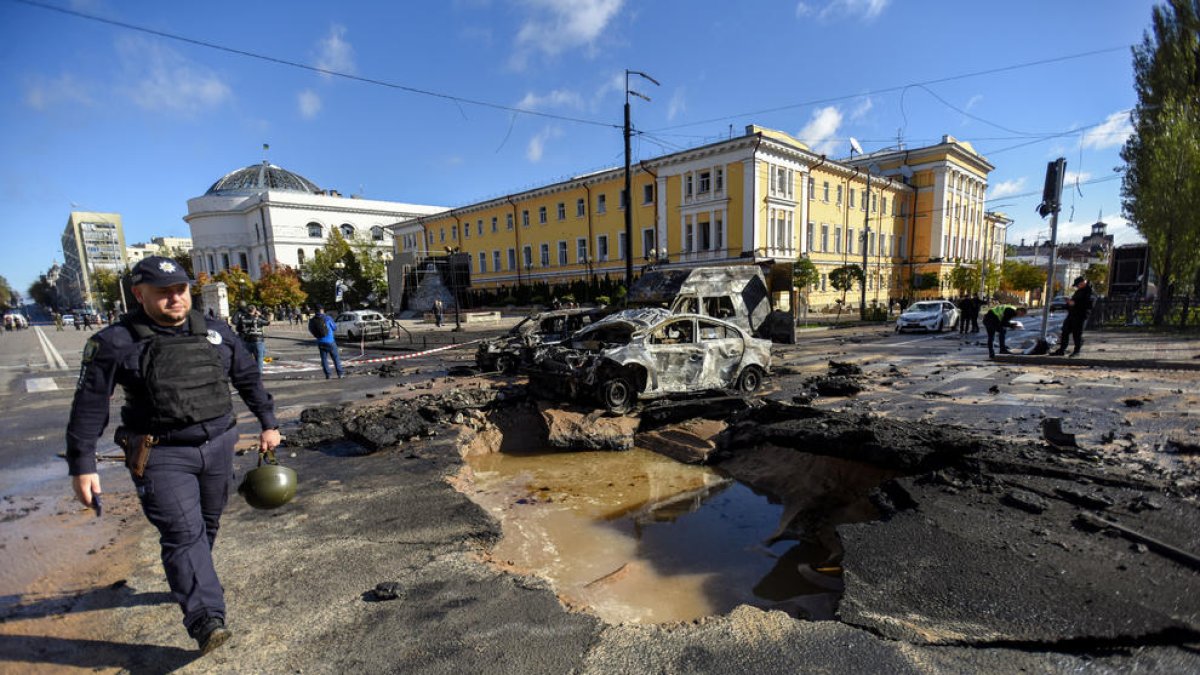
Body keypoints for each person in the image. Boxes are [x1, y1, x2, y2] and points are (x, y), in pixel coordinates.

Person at [65, 256, 279, 655]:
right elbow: (90, 403)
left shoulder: (214, 332)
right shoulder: (115, 342)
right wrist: (83, 463)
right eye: (162, 292)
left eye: (180, 289)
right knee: (183, 533)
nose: (175, 298)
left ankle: (193, 579)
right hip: (161, 453)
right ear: (138, 294)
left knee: (207, 524)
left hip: (218, 446)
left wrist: (268, 422)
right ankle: (206, 619)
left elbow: (248, 377)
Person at [1052, 276, 1095, 357]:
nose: (1077, 286)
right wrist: (1065, 305)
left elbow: (1088, 305)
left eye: (1077, 285)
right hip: (1072, 314)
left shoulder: (1089, 292)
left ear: (1083, 282)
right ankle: (1062, 350)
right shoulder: (1079, 291)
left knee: (1077, 334)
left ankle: (1077, 351)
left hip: (1080, 315)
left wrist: (1074, 304)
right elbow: (1073, 302)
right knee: (1065, 331)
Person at [308, 304, 344, 379]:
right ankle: (340, 374)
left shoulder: (312, 320)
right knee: (336, 358)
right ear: (322, 310)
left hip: (320, 342)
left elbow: (310, 329)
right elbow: (334, 328)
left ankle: (328, 375)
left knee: (324, 359)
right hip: (330, 341)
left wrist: (317, 336)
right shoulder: (327, 318)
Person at [233, 303, 271, 372]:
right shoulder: (257, 319)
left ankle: (249, 372)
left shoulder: (243, 318)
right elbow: (268, 322)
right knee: (259, 359)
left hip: (247, 340)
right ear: (254, 310)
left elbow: (238, 329)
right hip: (258, 341)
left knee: (248, 359)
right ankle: (258, 374)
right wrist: (260, 315)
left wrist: (245, 331)